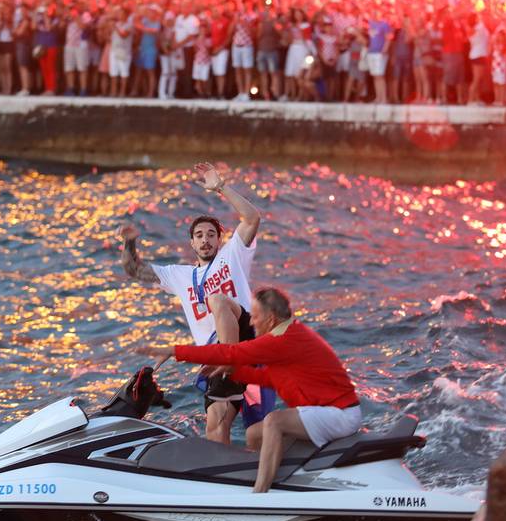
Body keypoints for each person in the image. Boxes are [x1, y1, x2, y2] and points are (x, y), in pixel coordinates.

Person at [137, 287, 361, 493]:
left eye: (255, 317)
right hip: (325, 412)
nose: (251, 323)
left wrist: (174, 351)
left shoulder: (284, 340)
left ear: (270, 319)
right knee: (254, 434)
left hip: (340, 414)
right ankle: (270, 479)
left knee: (274, 421)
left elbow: (230, 352)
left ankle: (259, 493)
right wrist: (234, 373)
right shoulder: (290, 333)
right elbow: (270, 378)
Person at [117, 162, 263, 445]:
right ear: (192, 244)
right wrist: (130, 243)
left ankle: (229, 362)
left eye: (211, 235)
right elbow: (134, 270)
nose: (205, 240)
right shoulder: (180, 275)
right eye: (199, 236)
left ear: (219, 240)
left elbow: (252, 217)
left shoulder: (233, 254)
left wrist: (221, 187)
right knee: (215, 425)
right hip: (214, 357)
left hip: (246, 337)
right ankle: (224, 470)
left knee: (217, 300)